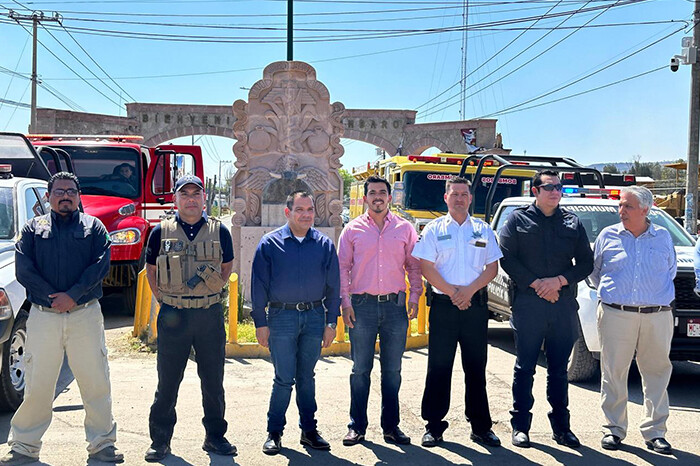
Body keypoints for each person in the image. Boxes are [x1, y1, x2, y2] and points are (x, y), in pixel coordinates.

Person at [1, 172, 122, 465]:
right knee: (38, 383)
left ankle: (102, 444)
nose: (65, 196)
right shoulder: (32, 229)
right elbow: (24, 270)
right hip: (44, 317)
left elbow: (100, 266)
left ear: (78, 196)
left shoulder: (94, 227)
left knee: (95, 381)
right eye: (58, 191)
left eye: (70, 191)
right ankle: (24, 447)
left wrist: (74, 296)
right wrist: (54, 298)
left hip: (85, 315)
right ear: (48, 196)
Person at [143, 174, 236, 462]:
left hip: (208, 315)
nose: (191, 199)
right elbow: (151, 270)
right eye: (185, 194)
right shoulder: (160, 231)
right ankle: (160, 440)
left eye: (196, 194)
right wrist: (165, 301)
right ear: (176, 199)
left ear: (204, 198)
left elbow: (226, 266)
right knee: (168, 382)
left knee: (213, 381)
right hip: (174, 316)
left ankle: (215, 436)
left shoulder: (220, 232)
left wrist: (207, 292)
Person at [498, 169, 593, 449]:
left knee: (559, 371)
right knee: (525, 368)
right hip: (528, 304)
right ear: (535, 191)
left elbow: (586, 263)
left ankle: (562, 428)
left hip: (562, 305)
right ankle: (520, 427)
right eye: (549, 187)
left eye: (558, 187)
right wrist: (538, 284)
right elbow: (507, 259)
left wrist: (559, 282)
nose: (555, 191)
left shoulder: (573, 223)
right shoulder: (517, 220)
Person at [411, 176, 502, 448]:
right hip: (444, 307)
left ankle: (481, 427)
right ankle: (434, 426)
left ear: (470, 198)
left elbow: (491, 269)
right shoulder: (434, 230)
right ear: (446, 198)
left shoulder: (483, 230)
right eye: (455, 194)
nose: (460, 198)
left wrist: (468, 292)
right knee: (439, 366)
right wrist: (454, 293)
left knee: (476, 367)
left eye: (464, 194)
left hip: (474, 306)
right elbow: (426, 268)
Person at [251, 191, 340, 455]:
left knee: (307, 378)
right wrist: (260, 323)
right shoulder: (269, 244)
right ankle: (274, 432)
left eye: (310, 209)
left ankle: (309, 431)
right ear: (288, 212)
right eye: (300, 209)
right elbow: (259, 287)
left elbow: (334, 287)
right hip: (282, 318)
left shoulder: (324, 245)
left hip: (314, 317)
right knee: (283, 378)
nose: (306, 214)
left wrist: (331, 322)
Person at [590, 186, 676, 455]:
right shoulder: (608, 235)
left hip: (657, 315)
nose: (621, 211)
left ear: (645, 210)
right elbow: (595, 274)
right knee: (614, 372)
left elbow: (670, 271)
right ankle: (613, 429)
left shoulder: (663, 237)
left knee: (657, 372)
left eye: (627, 206)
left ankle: (655, 432)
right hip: (616, 313)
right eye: (620, 205)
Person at [337, 175, 422, 446]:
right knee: (360, 369)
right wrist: (345, 303)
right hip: (361, 307)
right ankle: (357, 426)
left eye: (382, 192)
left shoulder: (405, 228)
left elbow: (414, 265)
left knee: (393, 370)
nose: (377, 196)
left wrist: (415, 295)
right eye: (372, 192)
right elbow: (342, 269)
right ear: (365, 198)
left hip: (395, 307)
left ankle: (391, 427)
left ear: (389, 197)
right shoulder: (352, 230)